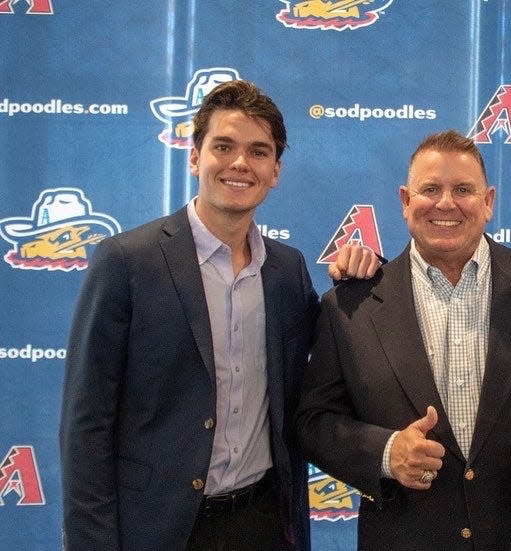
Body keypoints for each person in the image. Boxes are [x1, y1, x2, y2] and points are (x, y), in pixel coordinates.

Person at [59, 79, 379, 550]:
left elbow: (334, 366)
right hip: (158, 529)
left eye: (258, 152)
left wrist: (365, 274)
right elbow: (85, 426)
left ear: (275, 171)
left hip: (263, 523)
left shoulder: (287, 270)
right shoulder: (126, 262)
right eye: (223, 146)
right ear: (194, 157)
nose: (239, 164)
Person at [297, 129, 511, 550]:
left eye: (463, 189)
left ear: (488, 202)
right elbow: (314, 419)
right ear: (407, 201)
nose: (446, 203)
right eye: (431, 189)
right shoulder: (349, 307)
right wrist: (385, 452)